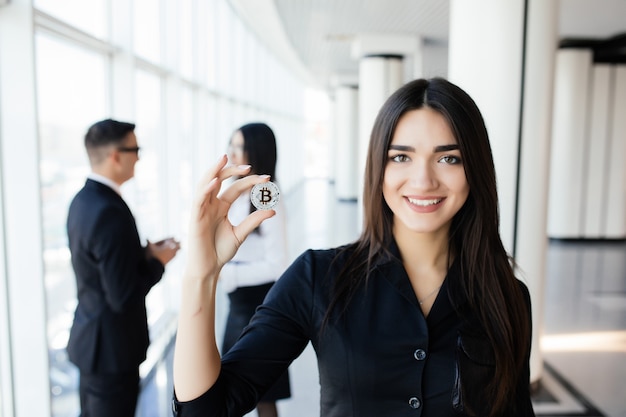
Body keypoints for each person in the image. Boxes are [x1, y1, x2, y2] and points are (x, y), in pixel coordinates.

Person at [172, 78, 535, 417]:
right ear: (379, 167)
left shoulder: (506, 297)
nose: (423, 180)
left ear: (475, 170)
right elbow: (207, 408)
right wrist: (200, 276)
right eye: (401, 157)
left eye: (448, 158)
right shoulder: (318, 278)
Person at [66, 118, 181, 417]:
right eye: (135, 149)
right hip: (112, 352)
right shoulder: (109, 211)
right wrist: (159, 262)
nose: (139, 157)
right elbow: (123, 294)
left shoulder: (83, 200)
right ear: (116, 156)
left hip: (93, 343)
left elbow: (97, 264)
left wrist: (143, 253)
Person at [220, 122, 291, 417]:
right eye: (232, 145)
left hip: (255, 300)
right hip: (239, 300)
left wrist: (231, 275)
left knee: (261, 391)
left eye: (241, 147)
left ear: (257, 151)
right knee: (237, 385)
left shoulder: (265, 192)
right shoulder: (239, 189)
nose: (233, 153)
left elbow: (278, 265)